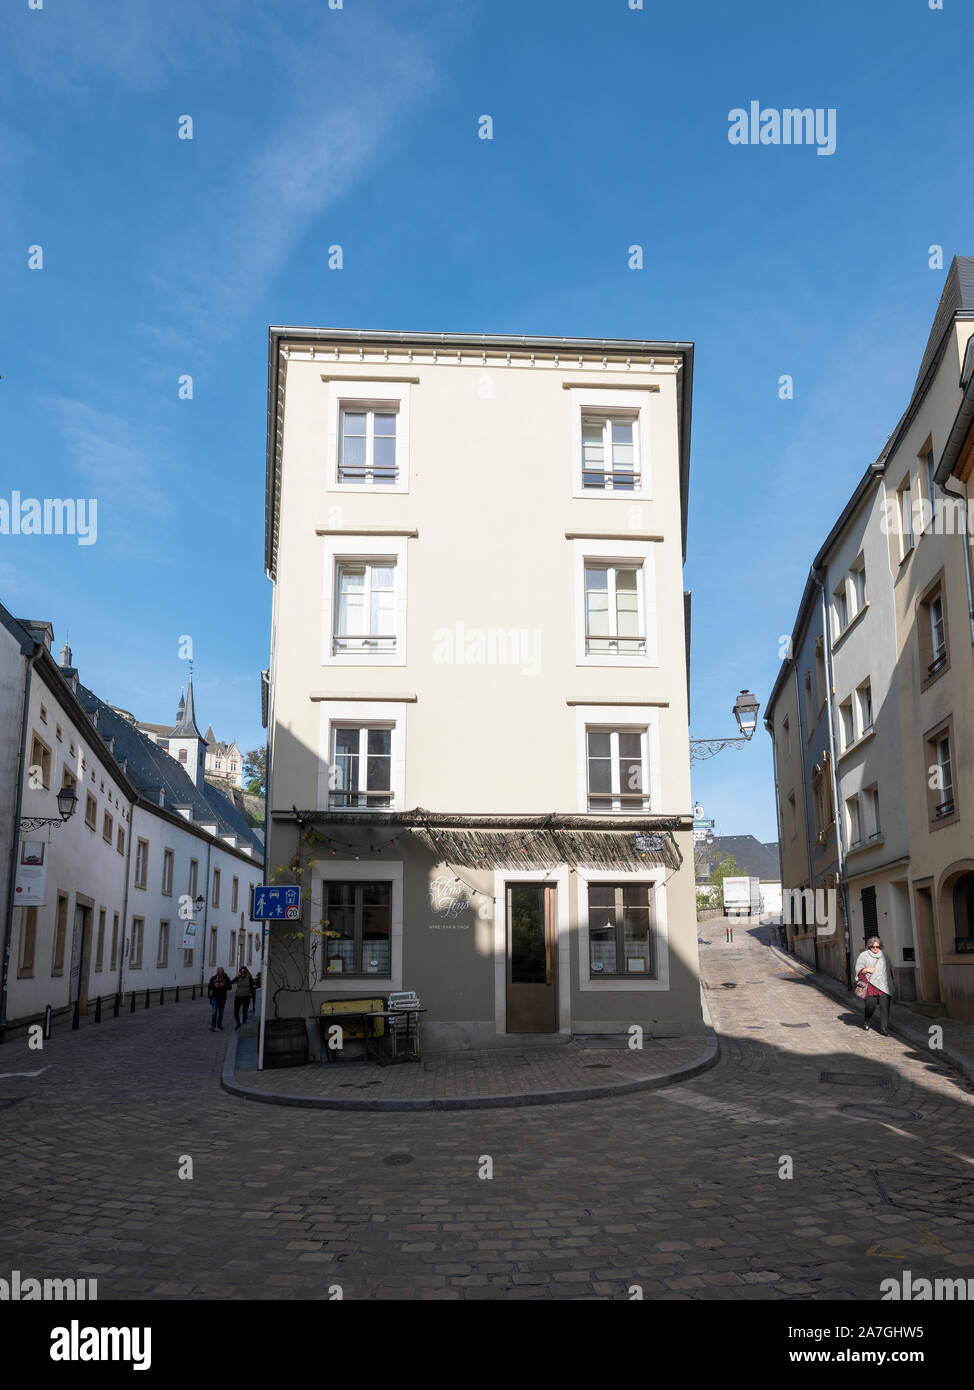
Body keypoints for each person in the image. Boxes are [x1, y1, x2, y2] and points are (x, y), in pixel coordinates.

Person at [854, 936, 894, 1036]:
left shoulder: (886, 957)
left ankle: (884, 1028)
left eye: (877, 946)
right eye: (873, 947)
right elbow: (858, 968)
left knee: (885, 1007)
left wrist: (892, 984)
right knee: (870, 1005)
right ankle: (867, 1020)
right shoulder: (863, 956)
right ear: (869, 947)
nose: (875, 948)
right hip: (870, 985)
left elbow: (890, 971)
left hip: (884, 985)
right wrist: (866, 970)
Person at [207, 967, 232, 1032]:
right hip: (214, 996)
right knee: (214, 1011)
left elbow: (230, 987)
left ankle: (219, 1025)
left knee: (221, 1012)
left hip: (222, 997)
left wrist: (223, 985)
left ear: (223, 971)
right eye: (218, 971)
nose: (219, 972)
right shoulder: (213, 978)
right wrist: (214, 986)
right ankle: (213, 1025)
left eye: (220, 971)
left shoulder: (226, 979)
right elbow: (209, 987)